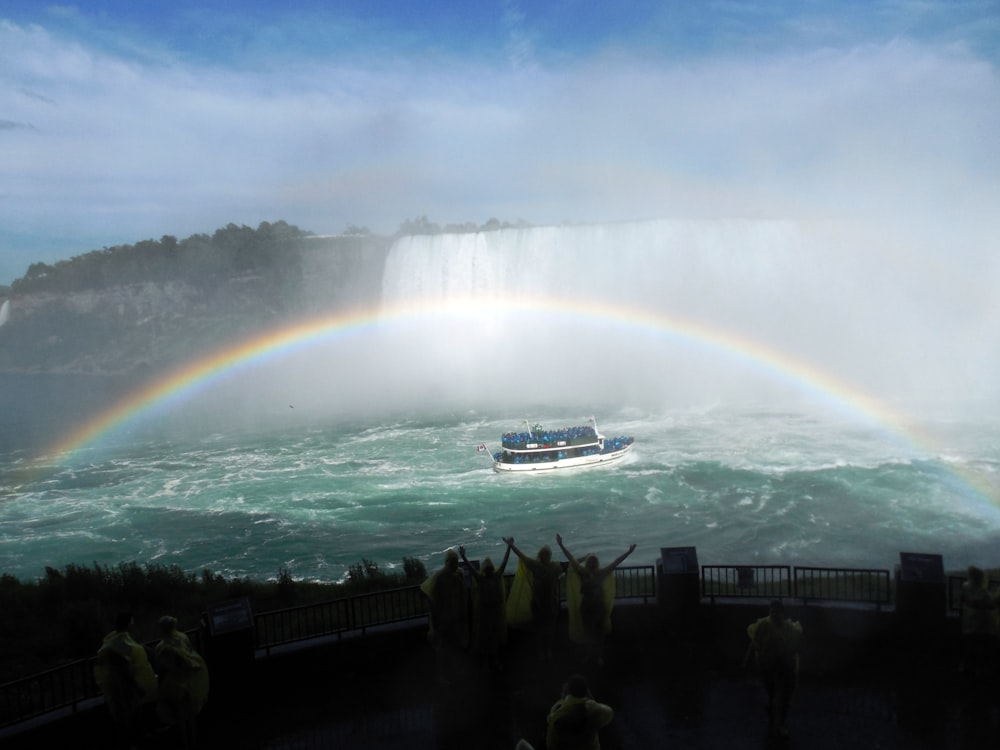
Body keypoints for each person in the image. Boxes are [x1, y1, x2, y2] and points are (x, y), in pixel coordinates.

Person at [556, 533, 636, 666]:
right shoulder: (583, 572)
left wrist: (629, 552)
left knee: (599, 633)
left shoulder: (601, 573)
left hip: (599, 607)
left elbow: (616, 562)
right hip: (587, 607)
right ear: (588, 563)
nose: (592, 563)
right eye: (590, 561)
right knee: (588, 632)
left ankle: (598, 656)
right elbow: (571, 559)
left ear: (596, 563)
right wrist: (561, 545)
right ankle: (589, 654)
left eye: (594, 561)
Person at [93, 612, 159, 748]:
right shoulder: (120, 644)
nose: (134, 625)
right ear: (128, 624)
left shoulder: (117, 640)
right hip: (124, 689)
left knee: (130, 717)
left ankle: (135, 740)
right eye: (132, 622)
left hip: (122, 688)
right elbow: (124, 669)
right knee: (129, 718)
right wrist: (137, 688)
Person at [503, 536, 567, 660]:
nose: (545, 557)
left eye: (546, 555)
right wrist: (510, 546)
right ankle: (544, 650)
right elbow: (570, 563)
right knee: (544, 629)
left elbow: (521, 555)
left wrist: (511, 545)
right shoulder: (552, 567)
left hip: (545, 603)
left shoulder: (542, 566)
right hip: (543, 603)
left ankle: (544, 651)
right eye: (545, 555)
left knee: (544, 629)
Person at [746, 599, 803, 737]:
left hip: (784, 665)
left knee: (784, 695)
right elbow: (754, 643)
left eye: (777, 612)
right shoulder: (764, 626)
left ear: (782, 613)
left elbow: (796, 646)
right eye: (772, 611)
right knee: (771, 689)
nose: (774, 614)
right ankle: (772, 705)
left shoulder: (790, 628)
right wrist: (746, 660)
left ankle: (780, 723)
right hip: (768, 664)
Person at [154, 615, 210, 749]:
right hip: (189, 682)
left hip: (174, 686)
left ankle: (184, 742)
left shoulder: (162, 647)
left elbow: (160, 669)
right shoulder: (183, 637)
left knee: (180, 717)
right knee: (190, 714)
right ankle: (194, 739)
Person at [459, 539, 513, 671]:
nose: (489, 570)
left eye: (489, 568)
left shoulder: (484, 578)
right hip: (488, 612)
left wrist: (509, 548)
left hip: (490, 612)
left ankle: (491, 661)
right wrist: (464, 557)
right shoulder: (488, 577)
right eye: (488, 568)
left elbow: (504, 563)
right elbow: (472, 569)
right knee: (487, 637)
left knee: (491, 637)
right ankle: (488, 661)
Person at [420, 547, 469, 683]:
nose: (454, 564)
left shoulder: (457, 574)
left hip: (454, 617)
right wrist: (435, 617)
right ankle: (442, 673)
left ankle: (453, 670)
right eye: (452, 562)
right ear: (447, 562)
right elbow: (430, 594)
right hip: (444, 619)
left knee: (454, 645)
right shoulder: (441, 576)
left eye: (456, 561)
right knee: (442, 648)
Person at [545, 673, 615, 750]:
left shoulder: (557, 712)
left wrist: (563, 699)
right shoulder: (593, 709)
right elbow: (609, 713)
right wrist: (590, 698)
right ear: (586, 690)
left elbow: (551, 745)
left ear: (568, 690)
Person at [959, 565, 998, 676]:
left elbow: (962, 600)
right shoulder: (984, 594)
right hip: (982, 628)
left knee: (969, 647)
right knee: (981, 648)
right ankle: (979, 669)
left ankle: (965, 667)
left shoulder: (965, 586)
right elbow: (992, 605)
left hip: (968, 626)